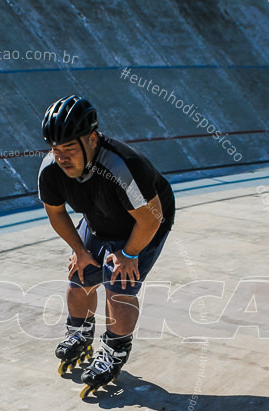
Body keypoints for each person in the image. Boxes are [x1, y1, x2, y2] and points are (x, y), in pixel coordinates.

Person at [38, 95, 175, 394]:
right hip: (99, 216)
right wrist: (79, 250)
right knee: (79, 277)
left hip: (144, 221)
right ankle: (80, 332)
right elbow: (56, 213)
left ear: (92, 139)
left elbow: (151, 219)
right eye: (56, 149)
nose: (62, 157)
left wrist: (129, 254)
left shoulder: (123, 167)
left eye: (70, 148)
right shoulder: (51, 170)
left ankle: (115, 350)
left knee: (118, 284)